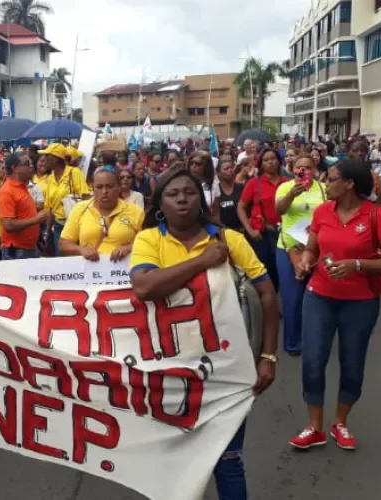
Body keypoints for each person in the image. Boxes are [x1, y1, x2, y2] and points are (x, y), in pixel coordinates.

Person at [129, 168, 279, 500]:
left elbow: (268, 295)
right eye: (173, 194)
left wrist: (267, 356)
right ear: (160, 204)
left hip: (227, 368)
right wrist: (203, 261)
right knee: (173, 459)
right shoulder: (149, 239)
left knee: (228, 460)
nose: (182, 199)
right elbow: (144, 287)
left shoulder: (230, 240)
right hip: (168, 370)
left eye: (189, 192)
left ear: (201, 199)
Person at [289, 160, 381, 451]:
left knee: (352, 364)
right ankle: (314, 426)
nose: (325, 182)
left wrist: (357, 264)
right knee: (312, 361)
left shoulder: (378, 216)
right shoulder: (322, 211)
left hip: (359, 303)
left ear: (349, 184)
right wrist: (306, 261)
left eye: (331, 178)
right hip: (319, 295)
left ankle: (340, 422)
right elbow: (311, 248)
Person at [275, 154, 326, 356]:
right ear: (293, 169)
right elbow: (278, 209)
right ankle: (293, 342)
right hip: (289, 247)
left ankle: (313, 339)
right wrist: (291, 195)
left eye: (308, 167)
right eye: (299, 167)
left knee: (316, 298)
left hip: (315, 248)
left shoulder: (323, 189)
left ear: (314, 169)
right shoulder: (285, 188)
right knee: (293, 298)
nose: (303, 170)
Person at [59, 167, 143, 262]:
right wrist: (81, 250)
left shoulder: (136, 211)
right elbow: (63, 244)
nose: (104, 192)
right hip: (90, 271)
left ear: (119, 187)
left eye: (109, 186)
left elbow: (148, 242)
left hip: (123, 273)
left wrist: (128, 248)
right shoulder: (80, 209)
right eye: (99, 187)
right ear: (93, 189)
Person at [236, 148, 286, 291]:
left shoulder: (287, 183)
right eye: (266, 159)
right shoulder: (254, 183)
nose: (270, 162)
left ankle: (277, 305)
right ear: (261, 164)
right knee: (264, 272)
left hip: (284, 235)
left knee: (280, 271)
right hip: (261, 235)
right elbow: (241, 208)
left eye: (273, 158)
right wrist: (250, 230)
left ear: (278, 161)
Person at [0, 152, 48, 260]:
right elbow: (8, 225)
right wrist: (36, 220)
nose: (31, 166)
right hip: (17, 251)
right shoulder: (7, 191)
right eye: (27, 163)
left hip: (27, 248)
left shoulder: (21, 187)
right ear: (15, 168)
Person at [42, 143, 90, 255]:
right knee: (61, 259)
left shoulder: (74, 172)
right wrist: (47, 232)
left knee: (76, 258)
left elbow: (86, 197)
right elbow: (50, 207)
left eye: (47, 156)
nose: (44, 159)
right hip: (59, 226)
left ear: (55, 158)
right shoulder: (50, 178)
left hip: (76, 224)